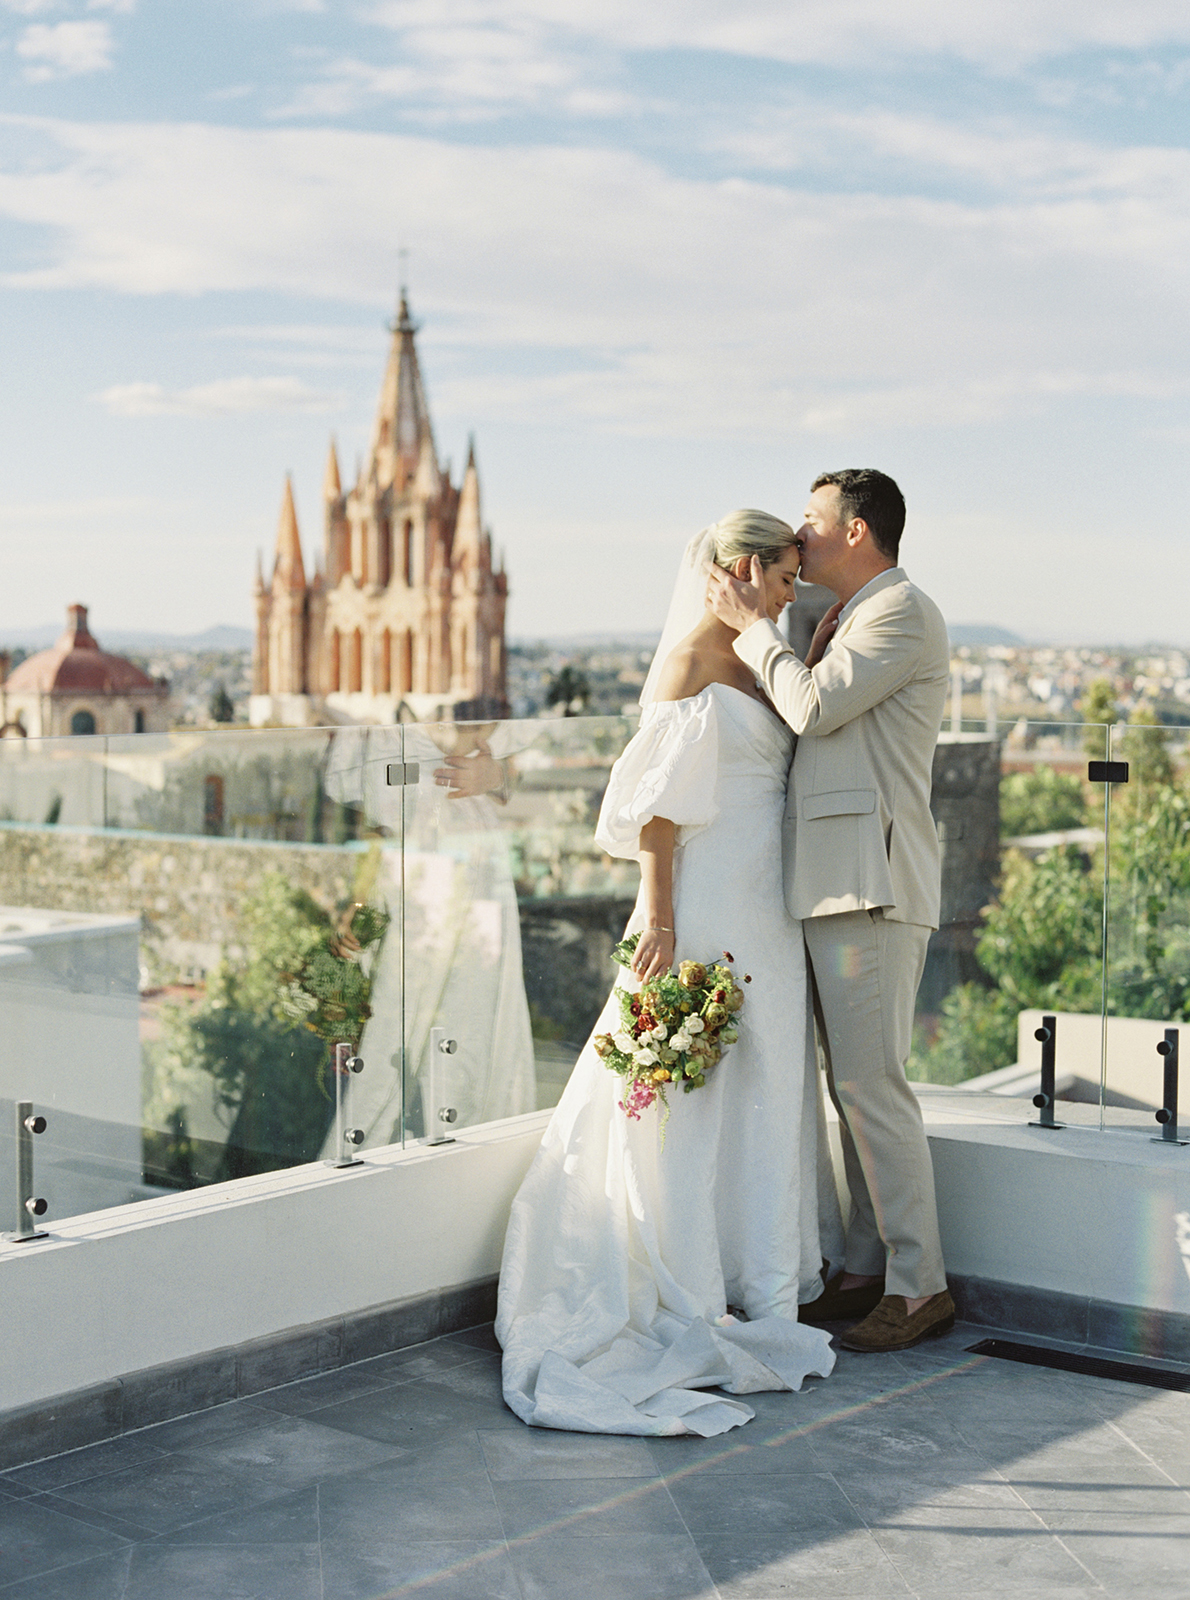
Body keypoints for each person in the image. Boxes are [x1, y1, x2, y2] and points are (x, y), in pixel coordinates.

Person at [496, 510, 843, 1438]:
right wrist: (660, 914)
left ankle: (762, 1284)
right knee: (702, 1075)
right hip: (709, 895)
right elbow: (655, 811)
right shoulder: (691, 660)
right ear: (738, 570)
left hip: (767, 896)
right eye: (777, 580)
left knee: (769, 1069)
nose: (787, 597)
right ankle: (688, 1273)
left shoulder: (765, 648)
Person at [707, 469, 955, 1354]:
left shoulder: (901, 611)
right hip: (831, 884)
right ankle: (864, 1268)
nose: (798, 539)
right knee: (847, 1091)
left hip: (871, 887)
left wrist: (752, 632)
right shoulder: (840, 617)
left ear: (857, 531)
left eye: (811, 523)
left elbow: (812, 710)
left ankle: (920, 1286)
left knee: (870, 1089)